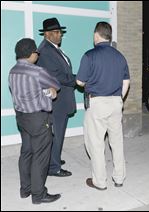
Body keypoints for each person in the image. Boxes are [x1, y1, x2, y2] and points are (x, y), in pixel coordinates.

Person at [76, 22, 130, 190]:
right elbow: (126, 81)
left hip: (97, 103)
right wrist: (119, 98)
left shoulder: (89, 55)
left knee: (95, 143)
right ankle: (119, 178)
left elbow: (79, 81)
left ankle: (99, 181)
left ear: (96, 35)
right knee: (117, 142)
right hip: (116, 103)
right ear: (109, 36)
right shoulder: (120, 56)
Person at [8, 38, 61, 204]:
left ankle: (25, 189)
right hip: (38, 118)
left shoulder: (12, 71)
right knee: (40, 156)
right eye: (36, 53)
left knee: (26, 152)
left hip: (21, 118)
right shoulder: (36, 71)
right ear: (31, 54)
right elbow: (56, 85)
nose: (37, 55)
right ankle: (38, 194)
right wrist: (48, 91)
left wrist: (44, 91)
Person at [37, 17, 76, 177]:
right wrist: (78, 79)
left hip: (61, 99)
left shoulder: (53, 48)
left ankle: (55, 159)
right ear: (47, 34)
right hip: (57, 101)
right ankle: (54, 167)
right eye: (56, 32)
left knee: (58, 134)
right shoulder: (46, 50)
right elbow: (56, 75)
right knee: (57, 134)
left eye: (60, 32)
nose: (60, 35)